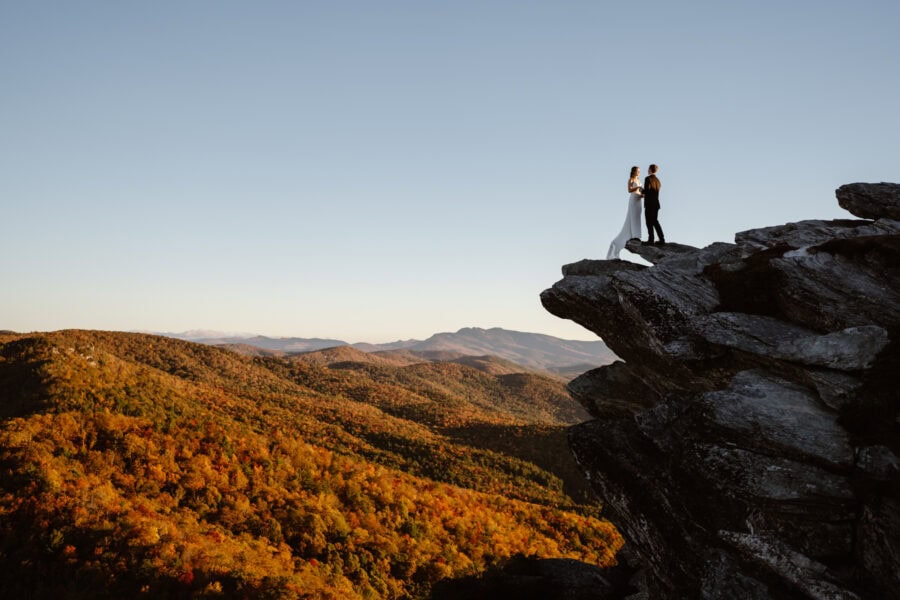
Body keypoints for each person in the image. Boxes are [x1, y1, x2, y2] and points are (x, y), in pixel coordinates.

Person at [606, 166, 644, 259]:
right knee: (632, 218)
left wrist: (642, 195)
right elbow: (629, 190)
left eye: (639, 171)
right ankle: (632, 237)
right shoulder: (631, 179)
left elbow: (640, 192)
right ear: (634, 171)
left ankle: (636, 235)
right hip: (633, 200)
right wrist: (638, 187)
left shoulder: (639, 180)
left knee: (637, 217)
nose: (638, 172)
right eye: (637, 171)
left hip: (638, 200)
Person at [643, 164, 665, 245]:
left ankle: (651, 240)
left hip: (649, 204)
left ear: (650, 170)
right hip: (656, 204)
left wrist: (641, 190)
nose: (647, 170)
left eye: (648, 169)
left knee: (648, 222)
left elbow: (647, 191)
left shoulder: (647, 178)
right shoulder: (658, 181)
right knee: (655, 221)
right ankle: (662, 239)